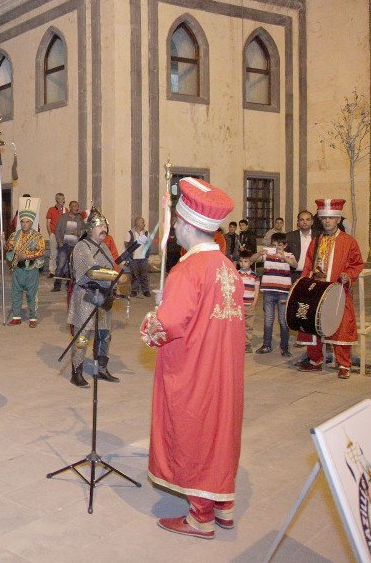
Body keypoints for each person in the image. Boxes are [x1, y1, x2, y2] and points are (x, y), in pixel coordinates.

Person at [139, 177, 244, 539]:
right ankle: (223, 506)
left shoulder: (187, 270)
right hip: (224, 370)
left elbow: (166, 325)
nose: (176, 231)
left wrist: (152, 320)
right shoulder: (227, 267)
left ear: (186, 225)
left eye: (178, 225)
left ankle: (201, 516)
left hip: (194, 368)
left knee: (195, 432)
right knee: (221, 432)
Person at [296, 198, 363, 379]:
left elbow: (357, 263)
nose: (327, 221)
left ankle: (344, 364)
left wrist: (348, 275)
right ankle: (315, 361)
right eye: (324, 218)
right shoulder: (316, 240)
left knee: (340, 325)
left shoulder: (349, 241)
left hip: (337, 290)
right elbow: (308, 264)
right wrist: (303, 284)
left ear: (338, 220)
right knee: (312, 324)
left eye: (331, 218)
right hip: (316, 289)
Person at [67, 207, 120, 386]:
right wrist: (115, 277)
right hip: (87, 296)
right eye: (100, 226)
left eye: (105, 225)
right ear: (90, 229)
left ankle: (100, 369)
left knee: (104, 335)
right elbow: (92, 271)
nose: (104, 229)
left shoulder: (104, 246)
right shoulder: (82, 246)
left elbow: (112, 267)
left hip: (103, 297)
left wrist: (117, 280)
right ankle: (77, 371)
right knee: (83, 336)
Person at [254, 233, 296, 356]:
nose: (277, 247)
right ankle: (266, 345)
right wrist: (259, 253)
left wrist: (285, 257)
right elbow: (252, 260)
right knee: (268, 319)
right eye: (274, 244)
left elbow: (295, 265)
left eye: (280, 245)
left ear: (285, 245)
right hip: (268, 291)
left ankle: (284, 347)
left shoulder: (289, 255)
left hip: (283, 293)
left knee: (283, 320)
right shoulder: (267, 255)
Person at [4, 206, 46, 327]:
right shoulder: (14, 235)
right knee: (16, 293)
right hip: (17, 269)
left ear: (32, 223)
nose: (24, 224)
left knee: (31, 294)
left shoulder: (38, 237)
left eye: (27, 222)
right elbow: (8, 248)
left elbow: (41, 252)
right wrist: (3, 241)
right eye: (22, 221)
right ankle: (16, 317)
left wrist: (26, 256)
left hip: (31, 269)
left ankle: (33, 318)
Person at [52, 200, 85, 291]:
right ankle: (57, 285)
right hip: (64, 245)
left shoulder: (80, 218)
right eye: (74, 206)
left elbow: (85, 232)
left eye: (77, 206)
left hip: (75, 246)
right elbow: (57, 230)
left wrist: (78, 232)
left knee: (73, 266)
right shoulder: (63, 217)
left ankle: (69, 285)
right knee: (61, 265)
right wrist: (59, 242)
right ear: (70, 207)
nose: (76, 208)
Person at [285, 210, 317, 282]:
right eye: (302, 220)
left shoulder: (319, 236)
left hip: (313, 276)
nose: (304, 222)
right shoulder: (289, 236)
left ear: (312, 222)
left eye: (307, 219)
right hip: (294, 275)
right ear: (298, 223)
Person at [237, 251, 258, 353]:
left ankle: (247, 344)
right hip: (239, 305)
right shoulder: (236, 274)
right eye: (241, 261)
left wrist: (254, 304)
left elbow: (256, 291)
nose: (243, 264)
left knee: (249, 325)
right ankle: (238, 343)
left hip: (249, 305)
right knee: (238, 325)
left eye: (246, 261)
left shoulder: (255, 276)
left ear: (251, 262)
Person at [125, 216, 151, 297]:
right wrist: (131, 252)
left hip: (143, 258)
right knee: (134, 275)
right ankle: (134, 291)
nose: (144, 224)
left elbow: (149, 244)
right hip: (134, 259)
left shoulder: (146, 233)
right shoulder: (130, 233)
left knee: (144, 275)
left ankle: (146, 290)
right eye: (142, 222)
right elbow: (126, 244)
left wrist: (147, 254)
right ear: (137, 223)